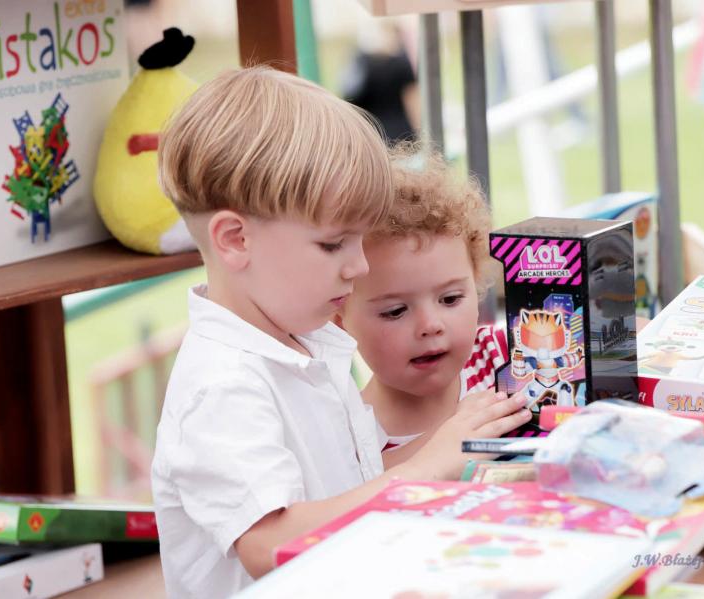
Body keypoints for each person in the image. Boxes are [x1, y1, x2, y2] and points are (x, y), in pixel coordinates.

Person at [150, 67, 530, 599]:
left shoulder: (298, 341)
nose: (359, 266)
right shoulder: (222, 387)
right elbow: (269, 544)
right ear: (235, 239)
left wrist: (463, 446)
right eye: (334, 245)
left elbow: (352, 490)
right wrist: (430, 464)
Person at [339, 151, 510, 464]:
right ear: (339, 319)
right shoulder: (350, 439)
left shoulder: (508, 357)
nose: (431, 325)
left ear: (475, 284)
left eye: (450, 299)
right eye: (395, 311)